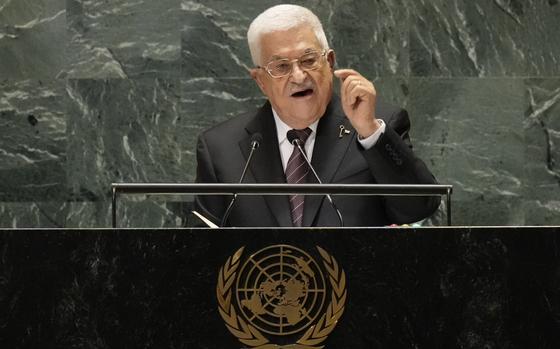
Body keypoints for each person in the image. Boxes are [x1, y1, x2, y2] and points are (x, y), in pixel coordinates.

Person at [194, 4, 439, 227]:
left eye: (309, 60)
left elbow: (418, 208)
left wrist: (371, 132)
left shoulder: (376, 126)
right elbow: (200, 247)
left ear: (330, 62)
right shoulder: (221, 148)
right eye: (281, 67)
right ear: (260, 80)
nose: (299, 77)